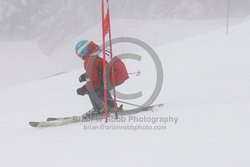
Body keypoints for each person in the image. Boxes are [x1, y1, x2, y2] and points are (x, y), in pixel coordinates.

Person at [75, 40, 129, 116]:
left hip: (113, 76)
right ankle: (112, 107)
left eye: (79, 54)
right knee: (100, 87)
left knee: (93, 89)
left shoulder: (89, 59)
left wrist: (84, 89)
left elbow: (95, 83)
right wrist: (86, 75)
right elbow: (101, 65)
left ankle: (100, 110)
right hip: (120, 73)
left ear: (82, 52)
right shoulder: (100, 50)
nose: (80, 57)